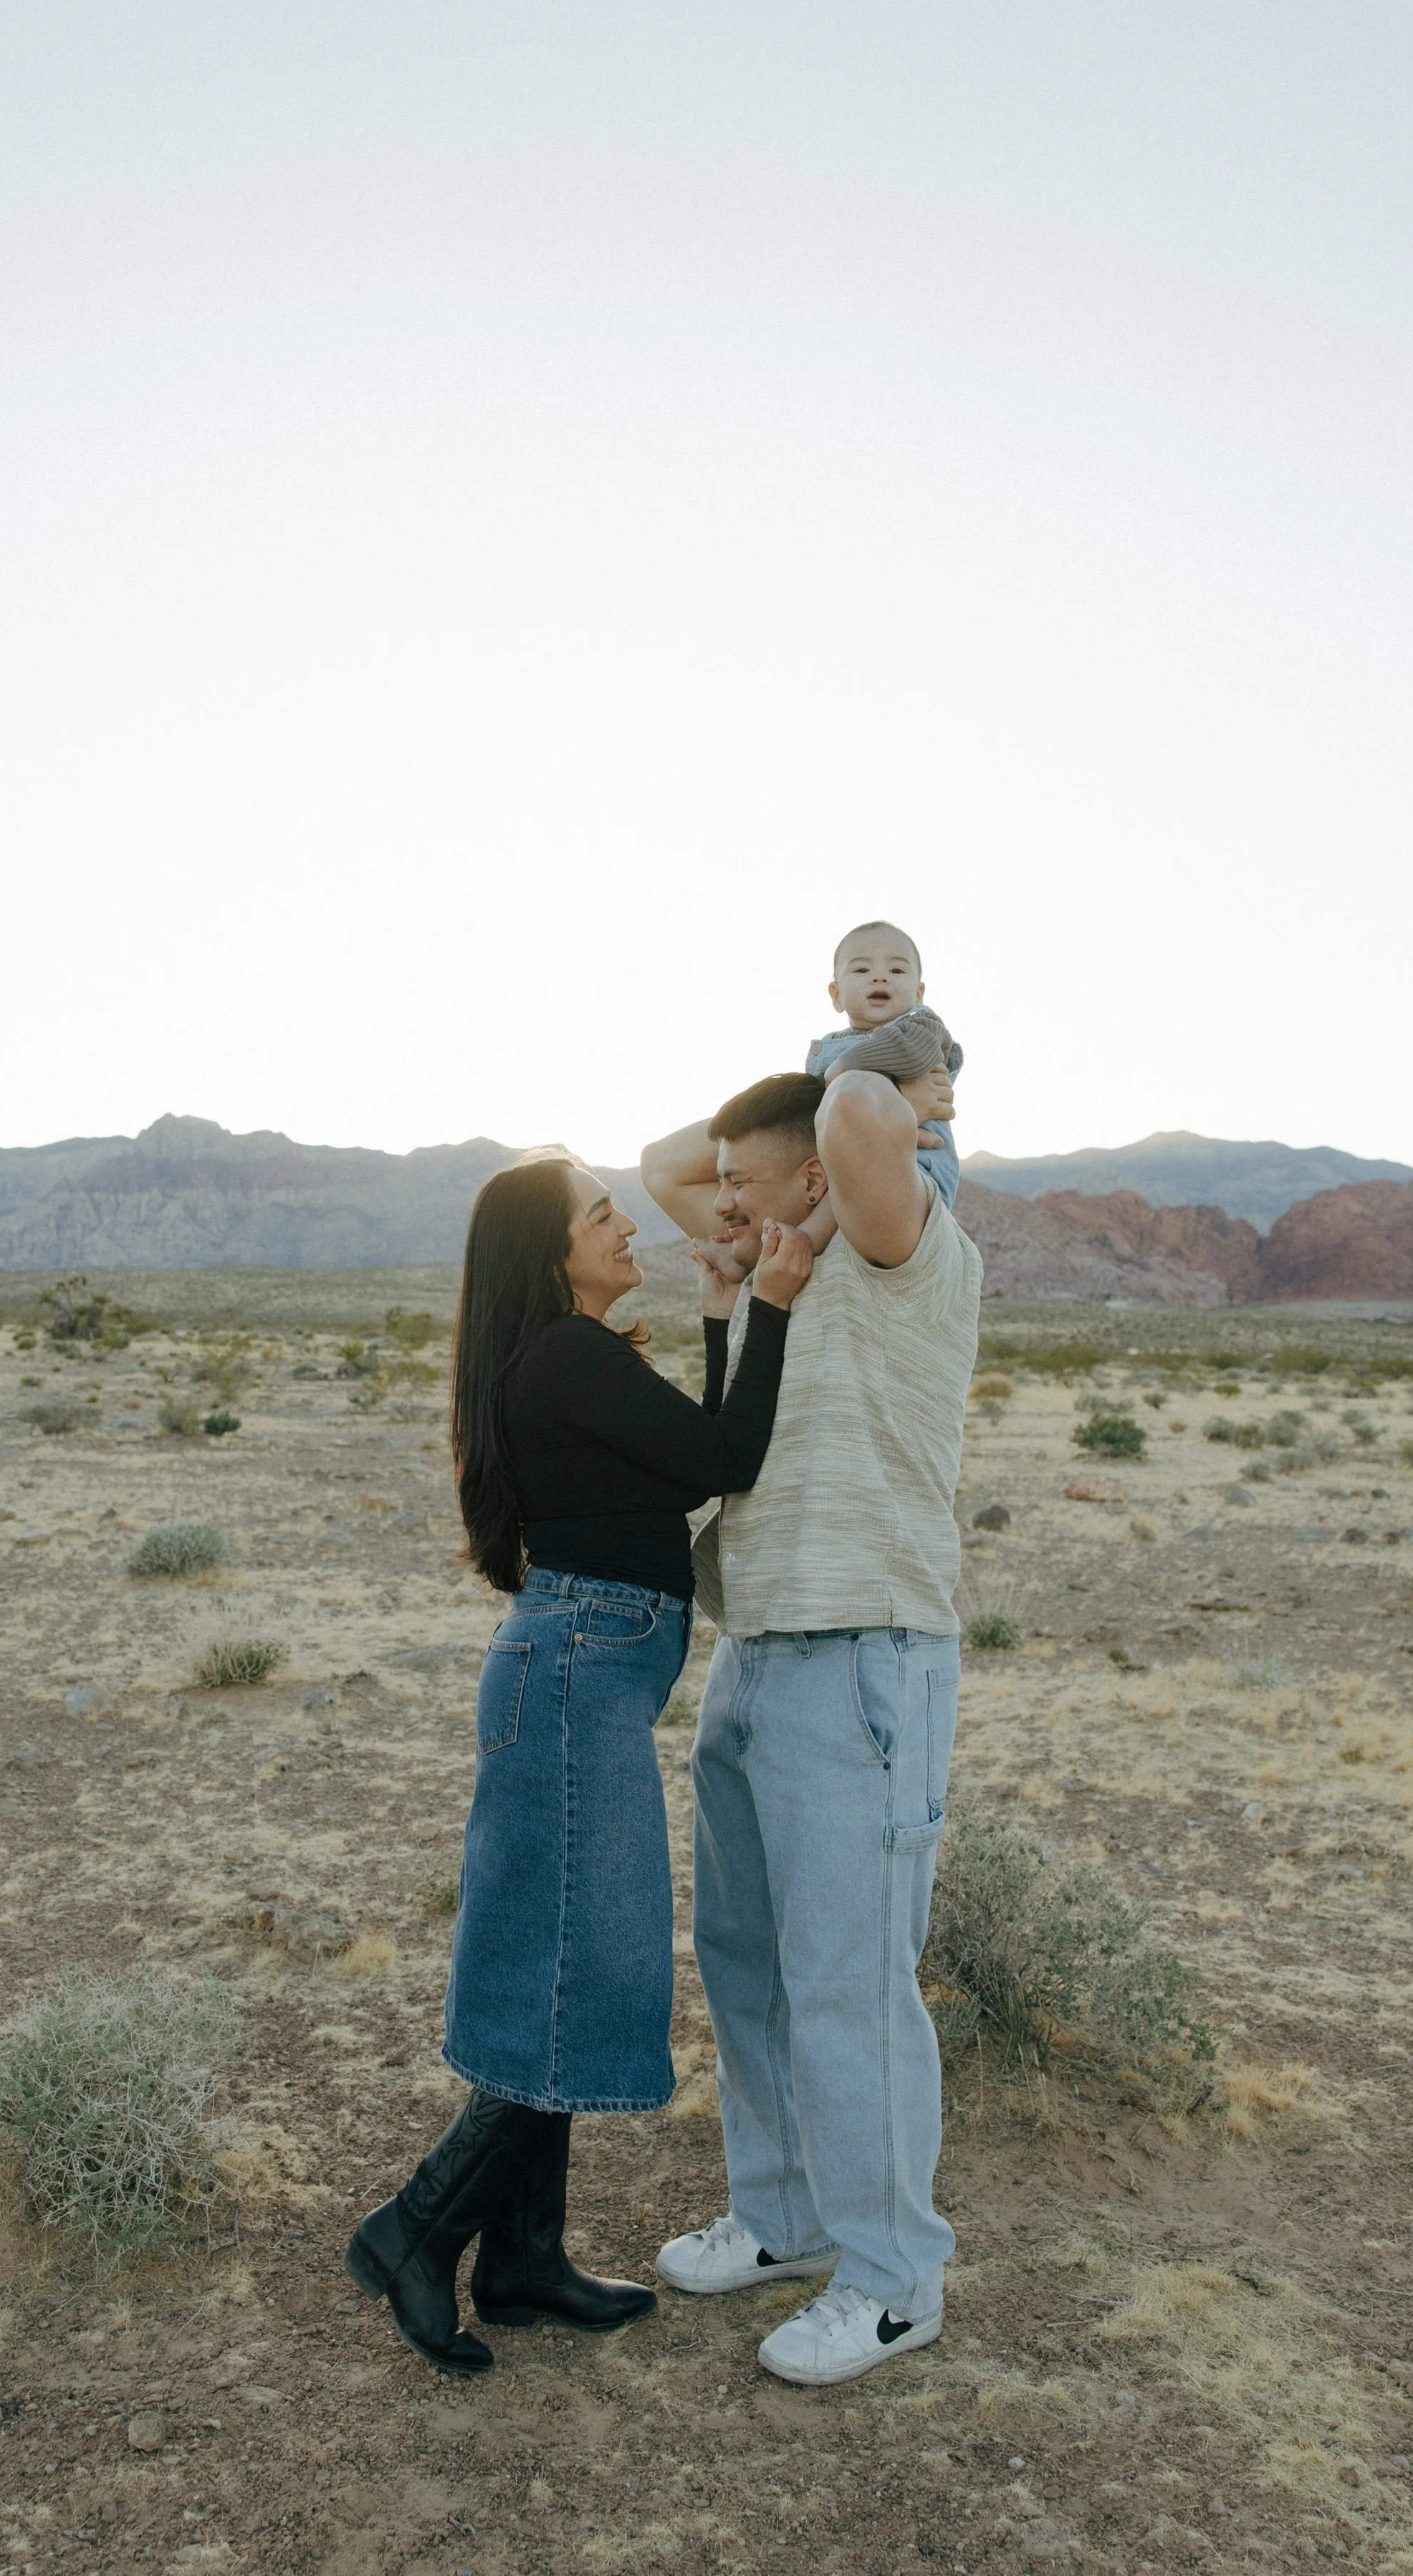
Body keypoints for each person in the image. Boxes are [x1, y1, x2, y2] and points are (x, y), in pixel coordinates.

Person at [345, 1156, 813, 2373]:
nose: (625, 1225)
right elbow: (729, 1458)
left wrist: (719, 1317)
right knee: (581, 1967)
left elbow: (689, 1455)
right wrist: (767, 1298)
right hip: (575, 1678)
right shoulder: (566, 1357)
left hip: (578, 1672)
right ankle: (416, 2228)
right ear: (553, 1255)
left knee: (561, 1961)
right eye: (601, 1214)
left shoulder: (576, 1358)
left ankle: (524, 2258)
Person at [641, 1062, 981, 2386]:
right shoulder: (774, 1264)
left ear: (821, 1179)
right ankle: (782, 2218)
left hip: (864, 1654)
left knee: (851, 1984)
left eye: (746, 1183)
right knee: (746, 1965)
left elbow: (848, 1122)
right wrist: (754, 1195)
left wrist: (857, 1055)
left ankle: (895, 2279)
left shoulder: (906, 1250)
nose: (711, 1204)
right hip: (757, 1646)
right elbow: (668, 1154)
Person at [805, 920, 964, 1209]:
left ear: (918, 993)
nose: (880, 978)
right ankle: (804, 1241)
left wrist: (848, 1064)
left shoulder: (921, 1026)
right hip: (842, 1177)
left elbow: (912, 1053)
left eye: (897, 970)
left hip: (917, 1173)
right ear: (836, 995)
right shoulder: (826, 1048)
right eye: (862, 970)